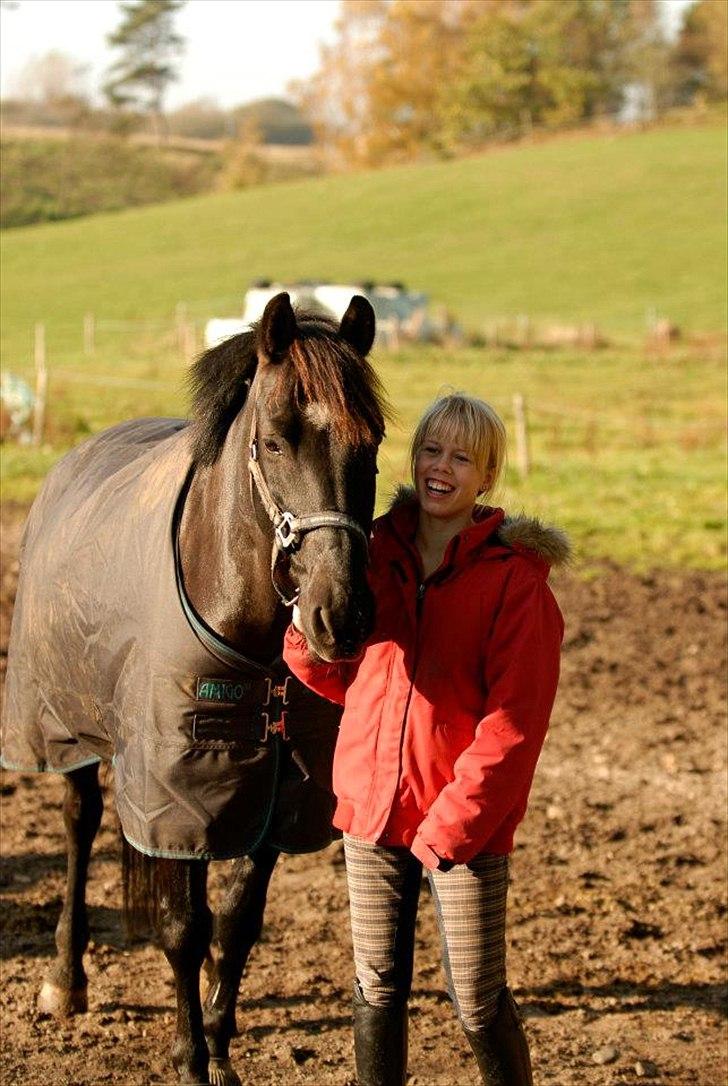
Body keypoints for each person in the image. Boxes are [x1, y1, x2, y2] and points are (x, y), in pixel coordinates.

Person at [283, 393, 569, 1086]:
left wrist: (452, 827)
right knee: (375, 989)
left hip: (462, 828)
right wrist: (308, 642)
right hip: (372, 811)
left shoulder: (515, 581)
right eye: (431, 451)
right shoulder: (373, 550)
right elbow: (351, 677)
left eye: (462, 457)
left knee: (474, 998)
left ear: (487, 476)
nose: (441, 467)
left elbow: (514, 726)